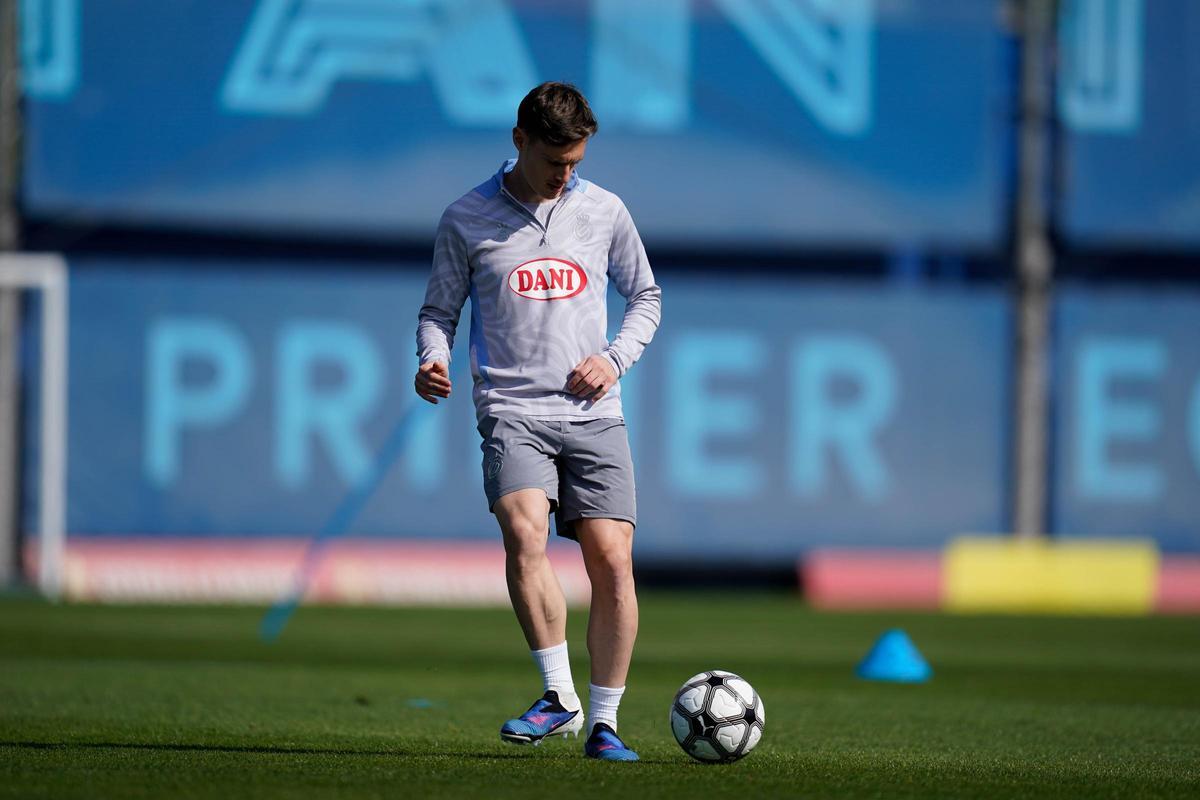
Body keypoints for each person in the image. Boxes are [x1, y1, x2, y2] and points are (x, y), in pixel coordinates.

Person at [414, 82, 661, 762]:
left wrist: (613, 359)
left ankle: (605, 724)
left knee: (612, 559)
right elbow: (438, 313)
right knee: (524, 532)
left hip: (594, 415)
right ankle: (558, 695)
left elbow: (645, 296)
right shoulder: (466, 217)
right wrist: (432, 358)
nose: (565, 174)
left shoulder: (604, 210)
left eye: (576, 161)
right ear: (519, 140)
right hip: (513, 410)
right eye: (555, 161)